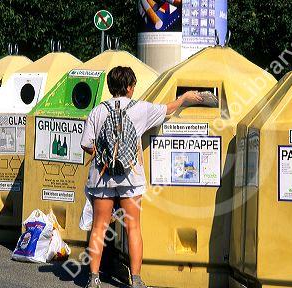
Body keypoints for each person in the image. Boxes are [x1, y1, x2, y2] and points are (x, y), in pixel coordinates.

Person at [80, 66, 202, 288]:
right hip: (130, 177)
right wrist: (184, 98)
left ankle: (94, 278)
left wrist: (105, 156)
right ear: (128, 87)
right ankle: (135, 280)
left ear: (111, 87)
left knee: (99, 227)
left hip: (102, 177)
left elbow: (86, 144)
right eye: (133, 86)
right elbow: (168, 110)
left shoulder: (97, 111)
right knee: (133, 226)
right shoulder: (141, 109)